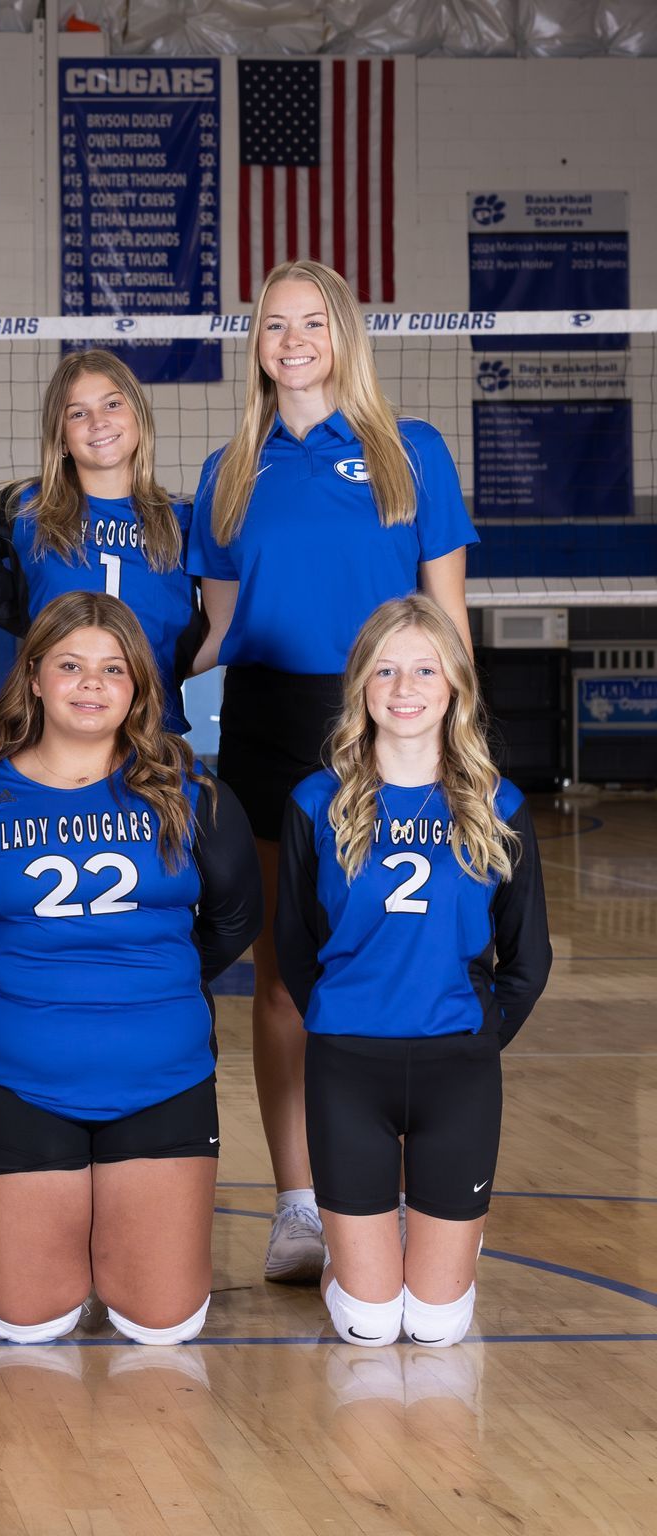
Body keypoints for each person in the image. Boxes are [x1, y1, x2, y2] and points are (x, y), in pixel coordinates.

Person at [186, 260, 479, 1284]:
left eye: (312, 323)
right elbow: (212, 635)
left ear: (344, 334)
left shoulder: (412, 454)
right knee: (282, 975)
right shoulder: (229, 470)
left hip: (390, 722)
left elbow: (447, 616)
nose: (293, 340)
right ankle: (300, 1204)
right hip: (268, 721)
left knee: (403, 961)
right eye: (275, 324)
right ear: (256, 343)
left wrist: (461, 745)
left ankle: (390, 1189)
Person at [0, 592, 261, 1346]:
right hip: (22, 1082)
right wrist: (15, 992)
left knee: (162, 1325)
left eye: (112, 668)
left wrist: (158, 983)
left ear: (139, 686)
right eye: (70, 665)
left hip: (163, 1079)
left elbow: (236, 919)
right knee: (27, 1326)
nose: (90, 683)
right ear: (33, 676)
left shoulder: (189, 793)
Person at [276, 595, 550, 1349]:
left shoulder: (498, 805)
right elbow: (296, 946)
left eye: (424, 669)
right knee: (369, 1324)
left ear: (455, 684)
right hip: (347, 1065)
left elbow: (529, 956)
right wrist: (345, 1010)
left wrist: (473, 1034)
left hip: (457, 1066)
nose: (405, 688)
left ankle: (436, 1247)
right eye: (386, 669)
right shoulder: (317, 803)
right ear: (361, 684)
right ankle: (355, 1254)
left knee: (435, 1330)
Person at [0, 348, 202, 732]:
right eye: (77, 413)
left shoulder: (182, 521)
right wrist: (35, 626)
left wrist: (163, 670)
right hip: (54, 727)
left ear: (138, 416)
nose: (98, 422)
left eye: (112, 404)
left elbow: (212, 626)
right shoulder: (24, 508)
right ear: (60, 439)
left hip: (153, 726)